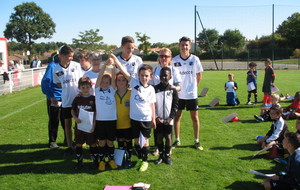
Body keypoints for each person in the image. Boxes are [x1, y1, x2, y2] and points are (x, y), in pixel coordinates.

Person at [111, 54, 156, 172]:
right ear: (138, 75)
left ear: (150, 77)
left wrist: (153, 118)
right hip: (134, 119)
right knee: (137, 141)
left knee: (145, 141)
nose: (144, 78)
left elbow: (152, 104)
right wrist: (115, 60)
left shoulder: (151, 89)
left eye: (146, 76)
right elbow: (122, 70)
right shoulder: (134, 83)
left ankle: (145, 161)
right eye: (142, 75)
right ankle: (140, 159)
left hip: (146, 119)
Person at [171, 36, 204, 150]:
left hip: (191, 94)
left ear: (189, 46)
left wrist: (194, 87)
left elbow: (199, 75)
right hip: (178, 94)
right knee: (177, 117)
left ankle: (196, 141)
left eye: (186, 45)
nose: (184, 47)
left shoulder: (195, 59)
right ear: (179, 46)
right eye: (182, 45)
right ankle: (177, 140)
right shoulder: (174, 60)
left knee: (194, 118)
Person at [53, 45, 83, 156]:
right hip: (66, 101)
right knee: (67, 124)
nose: (71, 58)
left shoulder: (76, 66)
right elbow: (58, 83)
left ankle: (79, 143)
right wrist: (67, 89)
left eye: (72, 56)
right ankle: (70, 146)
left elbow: (81, 80)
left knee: (78, 124)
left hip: (78, 100)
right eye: (69, 56)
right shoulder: (56, 69)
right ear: (62, 56)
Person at [94, 58, 118, 171]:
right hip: (100, 120)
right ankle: (102, 161)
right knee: (102, 142)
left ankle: (111, 159)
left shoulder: (112, 89)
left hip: (112, 120)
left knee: (110, 142)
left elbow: (113, 78)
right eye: (103, 82)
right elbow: (99, 76)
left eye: (106, 82)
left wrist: (112, 66)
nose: (104, 84)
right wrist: (104, 65)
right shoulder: (97, 89)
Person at [71, 76, 98, 170]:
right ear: (79, 87)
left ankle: (95, 161)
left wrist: (94, 125)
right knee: (79, 143)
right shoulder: (77, 99)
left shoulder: (93, 99)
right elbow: (72, 110)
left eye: (87, 87)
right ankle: (79, 162)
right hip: (79, 126)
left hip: (90, 127)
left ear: (90, 87)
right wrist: (75, 118)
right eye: (83, 87)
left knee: (93, 144)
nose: (85, 89)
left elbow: (96, 113)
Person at [154, 67, 179, 165]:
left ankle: (167, 155)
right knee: (159, 137)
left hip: (169, 119)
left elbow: (175, 105)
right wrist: (156, 117)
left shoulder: (173, 89)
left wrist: (171, 117)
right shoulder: (155, 89)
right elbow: (153, 105)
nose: (164, 77)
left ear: (170, 77)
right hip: (158, 119)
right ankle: (161, 155)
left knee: (168, 137)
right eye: (162, 75)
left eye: (166, 75)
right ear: (159, 77)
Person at [41, 54, 65, 149]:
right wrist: (51, 96)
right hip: (55, 98)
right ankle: (52, 141)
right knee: (54, 120)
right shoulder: (52, 66)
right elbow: (45, 82)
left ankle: (67, 140)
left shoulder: (65, 65)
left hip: (64, 97)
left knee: (65, 119)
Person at [115, 72, 132, 168]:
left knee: (128, 140)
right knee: (120, 140)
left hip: (128, 123)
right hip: (117, 123)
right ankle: (121, 158)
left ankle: (128, 158)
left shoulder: (130, 93)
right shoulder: (113, 94)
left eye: (123, 80)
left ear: (127, 82)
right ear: (116, 82)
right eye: (119, 80)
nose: (121, 82)